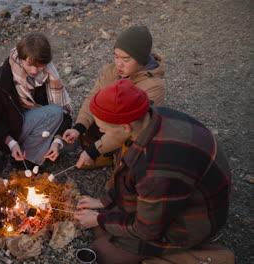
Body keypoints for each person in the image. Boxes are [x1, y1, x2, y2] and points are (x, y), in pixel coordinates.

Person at [74, 79, 232, 263]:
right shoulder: (154, 116)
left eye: (103, 129)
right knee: (105, 226)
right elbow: (129, 175)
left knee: (102, 251)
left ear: (125, 128)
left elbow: (147, 229)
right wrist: (104, 201)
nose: (102, 132)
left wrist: (99, 220)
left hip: (194, 219)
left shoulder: (155, 167)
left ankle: (200, 256)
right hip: (175, 194)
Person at [63, 25, 165, 169]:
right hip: (110, 126)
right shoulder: (112, 70)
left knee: (131, 155)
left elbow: (132, 128)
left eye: (126, 59)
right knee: (86, 135)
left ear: (141, 61)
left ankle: (115, 158)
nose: (118, 63)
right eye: (116, 56)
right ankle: (105, 152)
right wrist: (79, 127)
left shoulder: (154, 86)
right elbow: (93, 98)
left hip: (128, 131)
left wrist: (93, 152)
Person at [0, 32, 73, 166]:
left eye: (40, 65)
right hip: (4, 134)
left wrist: (57, 141)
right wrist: (11, 142)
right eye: (30, 64)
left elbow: (64, 113)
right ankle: (22, 160)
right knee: (56, 114)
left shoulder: (48, 76)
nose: (34, 70)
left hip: (29, 125)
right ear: (21, 58)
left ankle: (29, 158)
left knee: (69, 141)